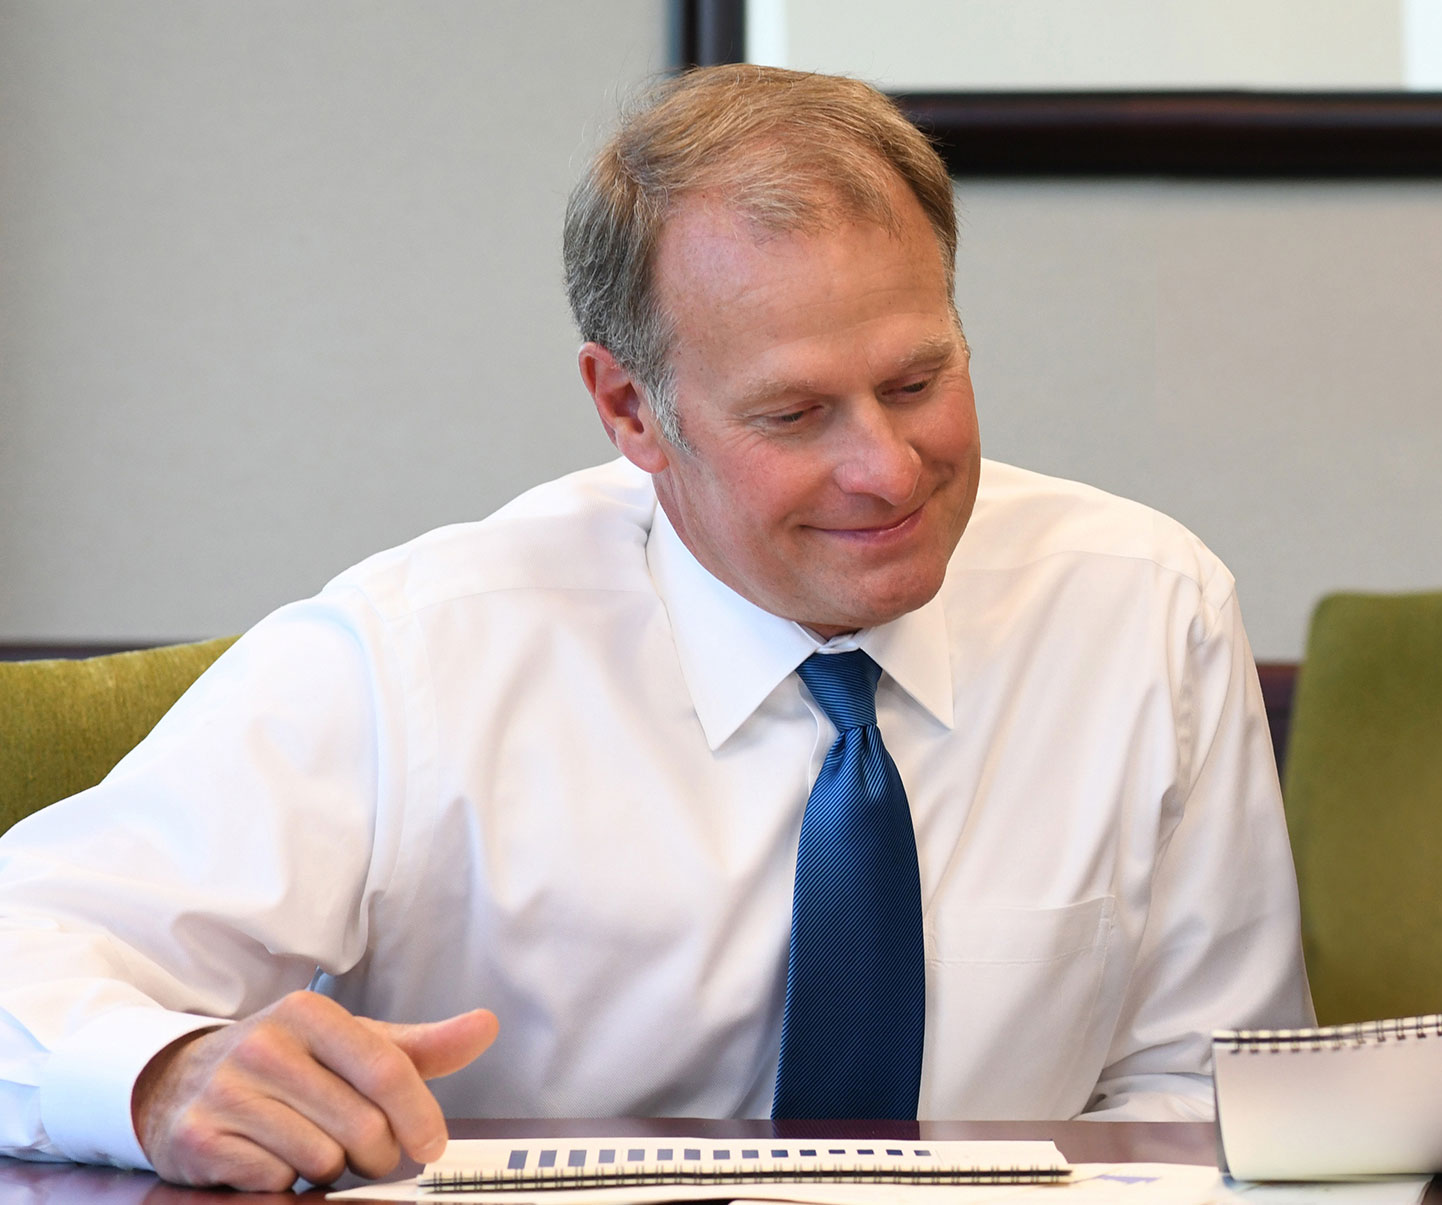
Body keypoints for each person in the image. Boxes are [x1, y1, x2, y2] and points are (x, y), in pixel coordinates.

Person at [0, 66, 1308, 1189]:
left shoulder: (1145, 606)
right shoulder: (424, 653)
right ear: (629, 409)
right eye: (795, 416)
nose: (890, 470)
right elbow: (26, 953)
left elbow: (1205, 1100)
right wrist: (166, 1073)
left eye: (920, 381)